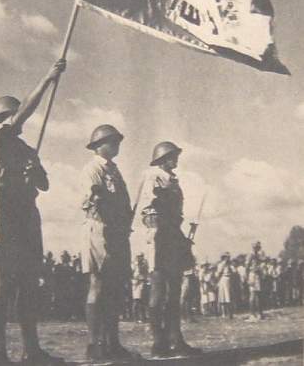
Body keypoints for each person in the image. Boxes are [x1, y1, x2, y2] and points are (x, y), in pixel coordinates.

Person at [0, 59, 65, 366]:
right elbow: (25, 112)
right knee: (2, 281)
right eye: (12, 115)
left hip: (27, 215)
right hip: (5, 214)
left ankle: (31, 350)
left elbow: (44, 184)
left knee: (29, 282)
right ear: (3, 119)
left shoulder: (27, 149)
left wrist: (33, 175)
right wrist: (47, 79)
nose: (18, 120)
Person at [138, 141, 201, 357]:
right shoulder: (152, 176)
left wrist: (181, 237)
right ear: (164, 157)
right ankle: (158, 342)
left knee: (174, 291)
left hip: (173, 234)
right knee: (158, 291)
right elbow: (148, 210)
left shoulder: (173, 180)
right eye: (173, 156)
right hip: (159, 236)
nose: (176, 159)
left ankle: (176, 338)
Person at [81, 124, 138, 361]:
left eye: (118, 142)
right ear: (99, 144)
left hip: (117, 232)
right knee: (99, 284)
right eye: (112, 141)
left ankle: (112, 342)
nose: (116, 146)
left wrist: (125, 217)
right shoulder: (92, 169)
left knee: (114, 288)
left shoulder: (115, 170)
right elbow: (92, 199)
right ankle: (95, 344)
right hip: (100, 229)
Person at [216, 253, 233, 318]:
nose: (228, 258)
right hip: (223, 279)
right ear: (224, 258)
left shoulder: (229, 265)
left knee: (228, 296)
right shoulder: (221, 265)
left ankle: (230, 313)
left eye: (229, 257)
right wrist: (217, 281)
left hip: (228, 279)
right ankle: (223, 313)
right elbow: (219, 273)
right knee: (223, 296)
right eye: (227, 257)